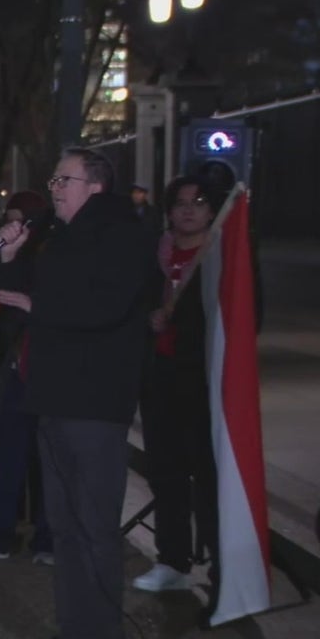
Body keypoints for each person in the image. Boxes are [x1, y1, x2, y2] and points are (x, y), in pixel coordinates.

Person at [4, 149, 153, 639]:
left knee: (93, 530)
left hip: (93, 405)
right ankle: (75, 638)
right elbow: (21, 301)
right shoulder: (55, 236)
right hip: (54, 399)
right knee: (65, 529)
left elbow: (104, 306)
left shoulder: (123, 235)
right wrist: (10, 257)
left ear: (95, 187)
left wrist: (39, 306)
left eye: (64, 178)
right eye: (54, 178)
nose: (54, 188)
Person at [131, 176, 220, 594]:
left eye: (198, 201)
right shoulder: (156, 255)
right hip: (160, 377)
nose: (189, 209)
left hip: (204, 381)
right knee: (166, 473)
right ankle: (173, 561)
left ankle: (223, 567)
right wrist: (149, 319)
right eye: (181, 203)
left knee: (208, 475)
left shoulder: (222, 254)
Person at [0, 191, 53, 564]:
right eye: (8, 218)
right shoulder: (8, 256)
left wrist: (34, 308)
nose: (12, 226)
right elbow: (0, 315)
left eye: (21, 219)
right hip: (16, 372)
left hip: (52, 374)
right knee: (9, 457)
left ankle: (47, 538)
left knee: (49, 462)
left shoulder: (57, 253)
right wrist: (5, 255)